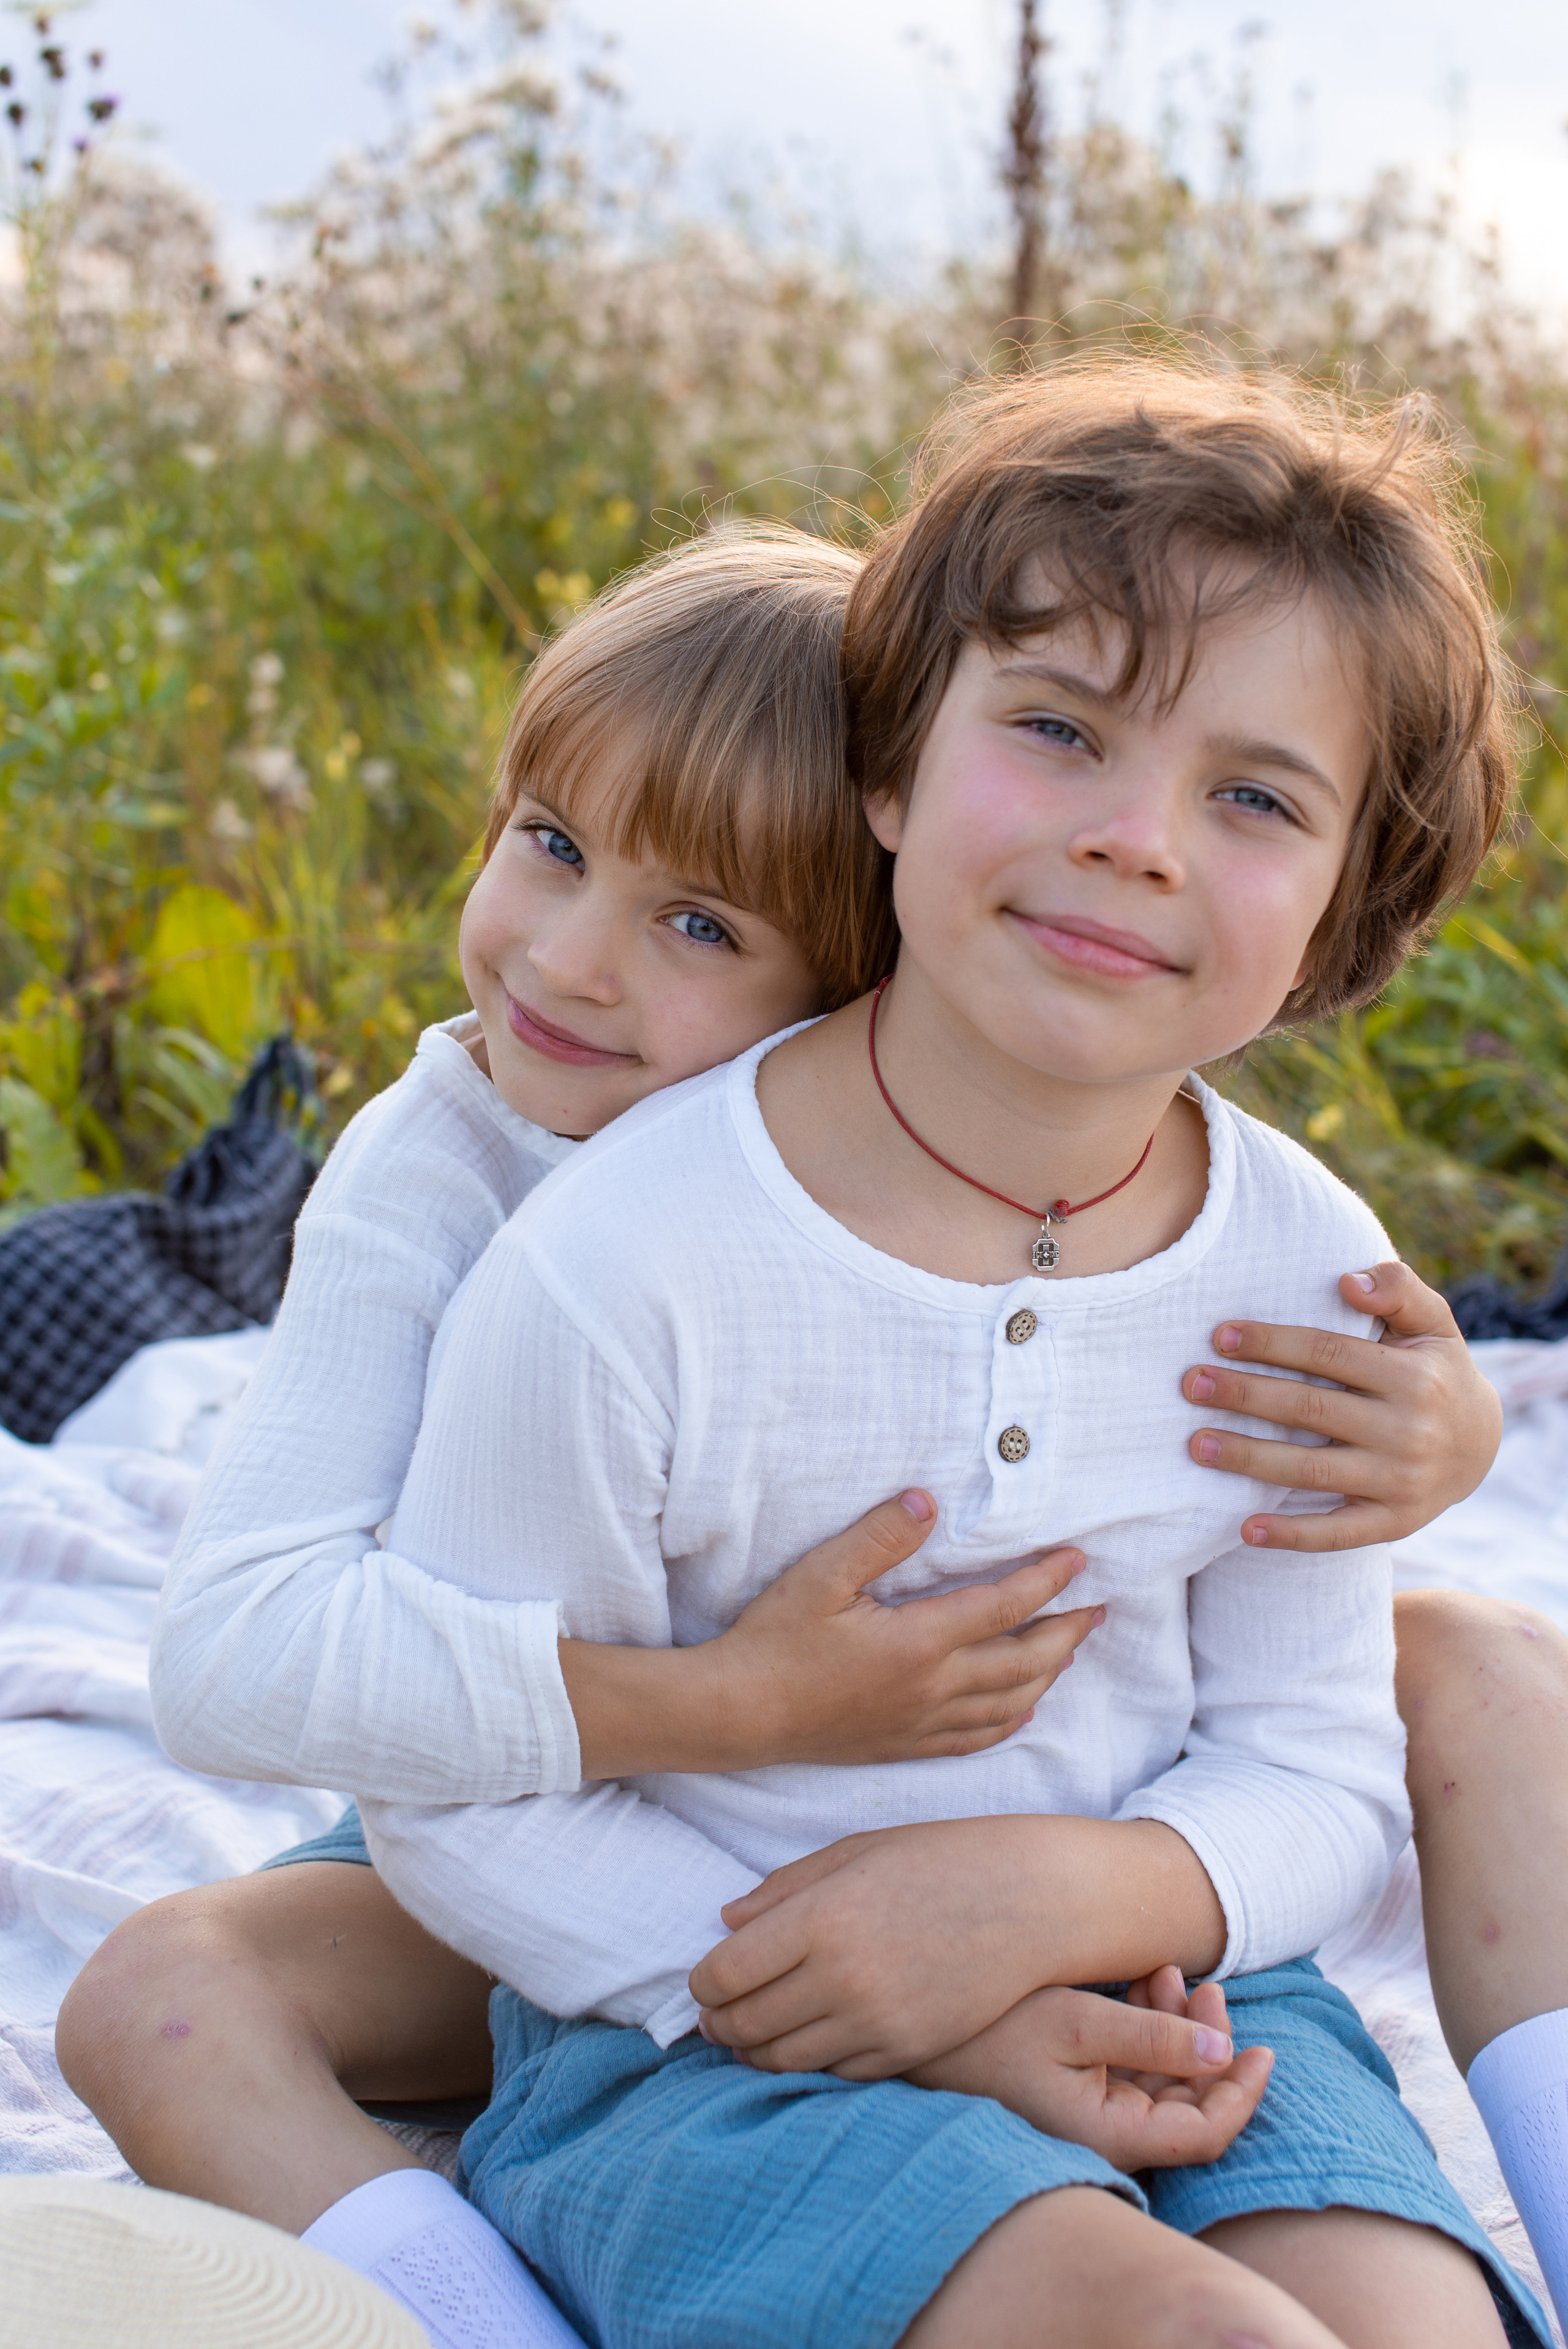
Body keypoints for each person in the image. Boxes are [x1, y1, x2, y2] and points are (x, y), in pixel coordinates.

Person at [55, 482, 1559, 2343]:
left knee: (1485, 1663)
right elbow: (257, 1660)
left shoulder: (1159, 1199)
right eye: (547, 844)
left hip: (976, 1795)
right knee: (164, 1987)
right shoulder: (479, 1180)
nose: (571, 964)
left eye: (700, 921)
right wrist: (746, 1707)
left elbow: (1275, 1706)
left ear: (848, 965)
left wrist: (1446, 1436)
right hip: (564, 1779)